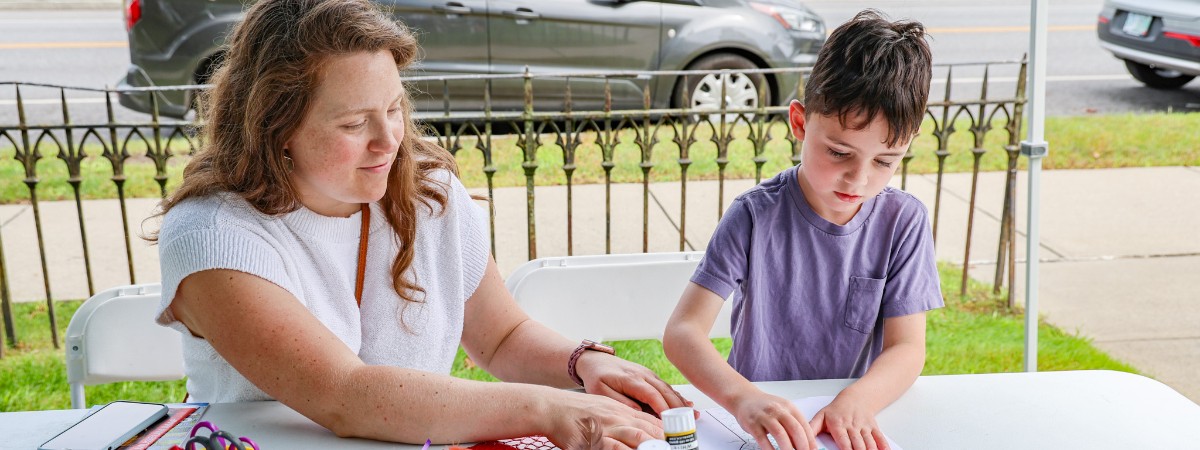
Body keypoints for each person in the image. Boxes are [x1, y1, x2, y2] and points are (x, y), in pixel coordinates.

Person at [149, 0, 690, 448]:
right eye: (355, 122)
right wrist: (552, 410)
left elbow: (501, 338)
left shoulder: (430, 196)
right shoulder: (212, 235)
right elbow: (346, 396)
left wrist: (582, 365)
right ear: (275, 127)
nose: (389, 140)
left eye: (393, 108)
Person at [662, 10, 942, 450]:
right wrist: (743, 398)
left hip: (845, 426)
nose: (859, 179)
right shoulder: (755, 216)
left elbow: (907, 348)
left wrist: (857, 401)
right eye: (838, 152)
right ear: (799, 124)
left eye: (885, 161)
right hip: (757, 426)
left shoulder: (904, 223)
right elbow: (683, 333)